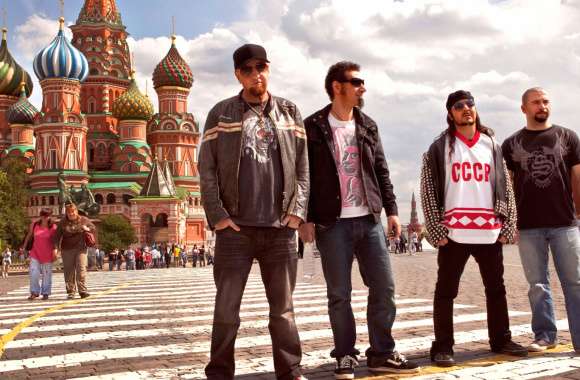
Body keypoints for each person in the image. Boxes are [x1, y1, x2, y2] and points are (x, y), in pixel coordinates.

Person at [299, 61, 418, 379]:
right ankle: (345, 355)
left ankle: (381, 352)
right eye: (357, 82)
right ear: (338, 87)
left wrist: (392, 210)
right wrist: (306, 217)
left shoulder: (368, 125)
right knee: (339, 294)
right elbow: (304, 175)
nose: (363, 87)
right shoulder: (313, 126)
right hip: (331, 222)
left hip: (369, 220)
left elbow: (381, 169)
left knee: (384, 287)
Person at [200, 43, 308, 380]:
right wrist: (218, 216)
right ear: (237, 74)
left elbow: (304, 166)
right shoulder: (220, 113)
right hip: (236, 231)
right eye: (247, 69)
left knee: (284, 312)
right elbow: (206, 169)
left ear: (268, 69)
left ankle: (289, 371)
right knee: (226, 311)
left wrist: (297, 210)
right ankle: (219, 373)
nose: (255, 74)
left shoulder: (290, 112)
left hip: (279, 230)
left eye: (260, 66)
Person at [420, 90, 527, 367]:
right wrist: (435, 228)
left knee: (496, 288)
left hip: (489, 230)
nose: (466, 109)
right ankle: (443, 346)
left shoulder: (491, 145)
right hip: (454, 232)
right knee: (446, 291)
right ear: (450, 113)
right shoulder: (439, 147)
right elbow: (428, 188)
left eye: (470, 104)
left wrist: (508, 222)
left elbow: (505, 186)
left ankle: (501, 339)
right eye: (459, 106)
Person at [502, 87, 580, 354]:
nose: (541, 106)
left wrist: (579, 214)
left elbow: (577, 176)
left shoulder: (568, 137)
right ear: (524, 108)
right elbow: (508, 186)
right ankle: (545, 335)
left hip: (565, 223)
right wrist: (510, 221)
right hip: (528, 225)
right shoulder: (510, 145)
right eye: (535, 102)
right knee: (537, 285)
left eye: (545, 101)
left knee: (575, 282)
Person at [54, 201, 96, 299]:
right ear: (66, 213)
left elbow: (93, 228)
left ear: (76, 211)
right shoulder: (62, 222)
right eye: (69, 212)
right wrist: (56, 248)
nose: (71, 214)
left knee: (81, 268)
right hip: (66, 249)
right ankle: (71, 291)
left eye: (73, 212)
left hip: (81, 248)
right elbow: (56, 236)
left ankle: (82, 290)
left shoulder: (84, 220)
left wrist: (87, 228)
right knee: (69, 271)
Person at [22, 208, 58, 300]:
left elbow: (56, 240)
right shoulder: (34, 225)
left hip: (48, 253)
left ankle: (45, 292)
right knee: (33, 273)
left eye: (48, 216)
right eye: (44, 215)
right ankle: (34, 292)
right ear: (40, 216)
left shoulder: (53, 226)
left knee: (47, 274)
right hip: (35, 252)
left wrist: (56, 250)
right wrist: (24, 247)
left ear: (50, 216)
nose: (46, 217)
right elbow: (29, 236)